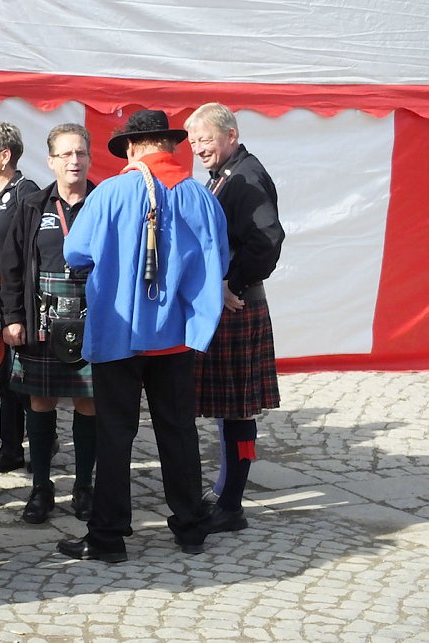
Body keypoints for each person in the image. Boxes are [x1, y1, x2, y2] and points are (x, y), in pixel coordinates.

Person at [57, 109, 229, 561]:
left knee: (115, 434)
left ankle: (108, 537)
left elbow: (75, 253)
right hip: (176, 334)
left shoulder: (111, 192)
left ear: (132, 148)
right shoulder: (199, 195)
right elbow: (220, 258)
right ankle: (190, 527)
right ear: (170, 146)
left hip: (120, 333)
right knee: (178, 431)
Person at [185, 103, 284, 531]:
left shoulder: (247, 177)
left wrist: (234, 284)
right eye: (193, 141)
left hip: (238, 305)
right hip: (227, 304)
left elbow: (268, 241)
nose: (198, 148)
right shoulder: (227, 174)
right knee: (231, 409)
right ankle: (227, 492)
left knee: (239, 410)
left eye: (205, 139)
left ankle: (232, 506)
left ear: (231, 135)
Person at [1, 123, 98, 524]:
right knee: (40, 401)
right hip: (42, 315)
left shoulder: (103, 202)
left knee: (89, 401)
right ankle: (41, 487)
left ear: (89, 158)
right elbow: (11, 265)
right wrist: (12, 317)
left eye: (81, 153)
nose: (74, 160)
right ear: (51, 161)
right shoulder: (32, 206)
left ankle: (84, 486)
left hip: (93, 317)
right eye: (66, 154)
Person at [0, 121, 39, 474]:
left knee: (21, 378)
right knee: (4, 377)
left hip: (15, 299)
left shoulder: (26, 192)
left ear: (5, 155)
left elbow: (31, 248)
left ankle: (38, 439)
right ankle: (11, 447)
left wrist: (0, 277)